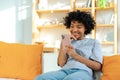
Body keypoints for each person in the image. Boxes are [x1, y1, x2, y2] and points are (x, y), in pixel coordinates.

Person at [35, 10, 103, 80]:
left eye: (79, 27)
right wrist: (63, 42)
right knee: (40, 78)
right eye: (72, 26)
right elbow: (61, 64)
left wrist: (74, 55)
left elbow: (97, 66)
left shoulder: (93, 42)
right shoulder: (68, 41)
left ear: (85, 28)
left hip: (83, 72)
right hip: (65, 71)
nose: (74, 30)